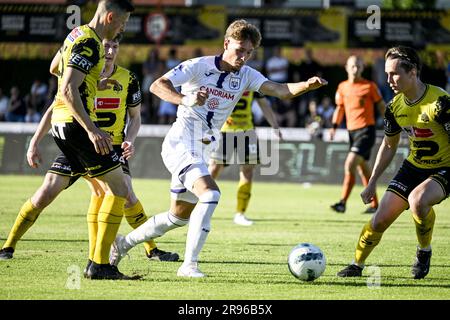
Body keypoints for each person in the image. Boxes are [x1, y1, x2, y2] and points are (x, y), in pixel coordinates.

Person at [109, 19, 327, 278]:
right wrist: (185, 99)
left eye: (248, 53)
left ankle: (122, 244)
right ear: (226, 44)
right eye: (239, 50)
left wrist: (307, 85)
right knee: (210, 194)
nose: (243, 57)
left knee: (176, 217)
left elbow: (279, 90)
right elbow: (158, 85)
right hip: (181, 141)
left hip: (201, 149)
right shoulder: (198, 66)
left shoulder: (246, 75)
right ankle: (189, 266)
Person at [0, 36, 179, 267]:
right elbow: (56, 108)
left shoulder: (129, 78)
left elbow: (135, 118)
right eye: (105, 45)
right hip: (80, 145)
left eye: (115, 46)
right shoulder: (80, 76)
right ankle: (8, 245)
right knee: (45, 193)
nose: (110, 50)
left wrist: (129, 140)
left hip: (110, 147)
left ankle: (150, 249)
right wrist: (34, 141)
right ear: (97, 48)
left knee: (125, 195)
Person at [13, 0, 133, 280]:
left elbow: (55, 67)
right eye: (123, 23)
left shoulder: (75, 34)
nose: (121, 29)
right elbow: (67, 88)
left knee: (106, 188)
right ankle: (100, 265)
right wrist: (92, 129)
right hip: (76, 126)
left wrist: (86, 80)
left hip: (62, 123)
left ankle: (98, 262)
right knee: (120, 190)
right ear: (111, 16)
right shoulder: (91, 43)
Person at [337, 46, 450, 279]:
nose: (388, 79)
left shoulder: (440, 102)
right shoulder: (394, 107)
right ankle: (356, 265)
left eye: (394, 74)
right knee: (379, 220)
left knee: (418, 200)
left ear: (413, 72)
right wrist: (372, 183)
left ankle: (423, 251)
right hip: (413, 167)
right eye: (387, 74)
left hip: (444, 167)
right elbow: (389, 146)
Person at [208, 91, 281, 226]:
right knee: (213, 170)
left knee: (248, 172)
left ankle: (240, 213)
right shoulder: (222, 78)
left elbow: (264, 104)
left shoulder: (252, 79)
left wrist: (275, 126)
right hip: (225, 131)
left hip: (247, 131)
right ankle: (196, 207)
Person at [329, 55, 386, 214]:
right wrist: (334, 126)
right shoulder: (342, 87)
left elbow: (382, 106)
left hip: (367, 131)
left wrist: (391, 122)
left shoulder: (370, 86)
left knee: (350, 164)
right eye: (353, 66)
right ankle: (375, 205)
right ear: (346, 67)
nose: (356, 69)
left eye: (359, 66)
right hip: (352, 132)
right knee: (364, 171)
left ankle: (342, 203)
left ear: (362, 68)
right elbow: (339, 108)